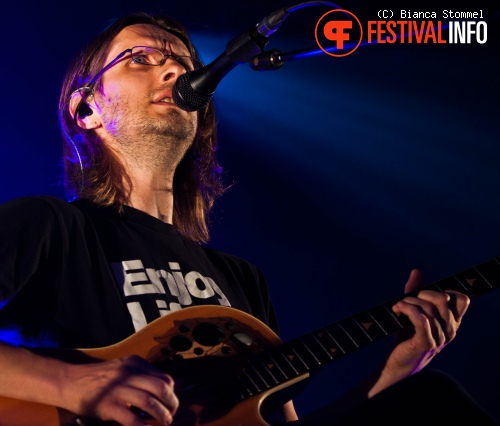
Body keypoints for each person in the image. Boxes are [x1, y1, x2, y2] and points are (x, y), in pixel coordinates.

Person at [0, 11, 496, 426]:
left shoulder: (240, 280)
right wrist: (68, 382)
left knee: (429, 398)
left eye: (183, 62)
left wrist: (396, 372)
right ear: (86, 108)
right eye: (142, 60)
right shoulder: (51, 227)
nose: (174, 71)